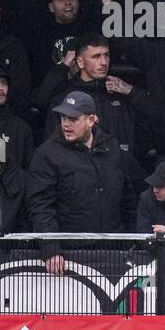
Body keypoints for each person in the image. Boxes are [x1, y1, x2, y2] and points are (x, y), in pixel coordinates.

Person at [26, 91, 140, 276]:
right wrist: (51, 249)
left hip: (115, 249)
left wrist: (132, 238)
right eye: (63, 117)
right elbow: (40, 206)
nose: (66, 124)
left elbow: (128, 199)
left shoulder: (112, 147)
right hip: (71, 255)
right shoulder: (46, 154)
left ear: (91, 119)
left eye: (73, 118)